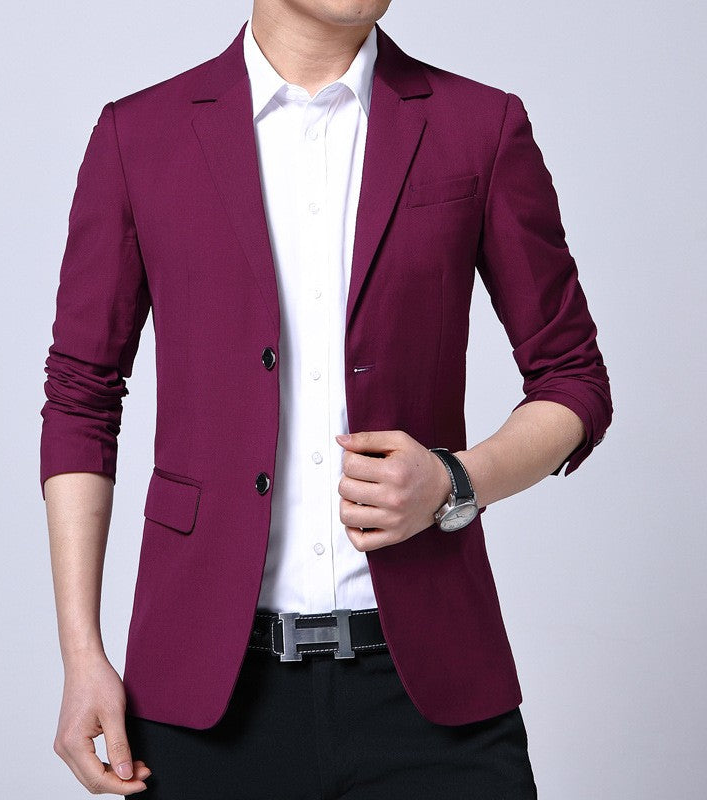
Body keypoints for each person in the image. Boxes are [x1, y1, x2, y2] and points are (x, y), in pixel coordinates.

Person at [40, 1, 612, 797]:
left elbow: (573, 377)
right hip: (205, 697)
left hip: (429, 691)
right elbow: (81, 397)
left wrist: (455, 481)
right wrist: (82, 654)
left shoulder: (479, 126)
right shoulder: (140, 136)